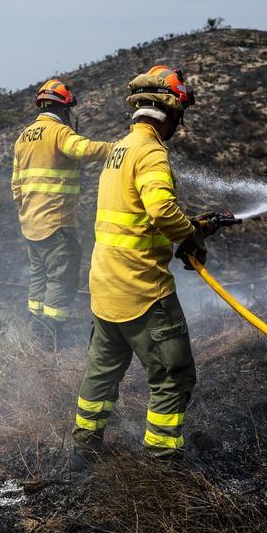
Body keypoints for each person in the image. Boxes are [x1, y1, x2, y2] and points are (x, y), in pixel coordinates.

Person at [72, 65, 223, 462]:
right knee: (174, 375)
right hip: (142, 291)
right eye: (179, 117)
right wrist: (190, 236)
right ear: (170, 113)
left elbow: (138, 216)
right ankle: (162, 458)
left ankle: (84, 450)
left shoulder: (121, 149)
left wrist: (192, 227)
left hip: (105, 286)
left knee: (102, 372)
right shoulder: (152, 152)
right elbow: (160, 210)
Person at [11, 79, 113, 345]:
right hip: (56, 223)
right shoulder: (58, 132)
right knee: (62, 276)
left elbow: (16, 185)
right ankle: (51, 335)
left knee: (39, 275)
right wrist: (118, 149)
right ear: (64, 108)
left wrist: (28, 210)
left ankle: (36, 328)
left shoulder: (23, 138)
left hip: (31, 224)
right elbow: (83, 149)